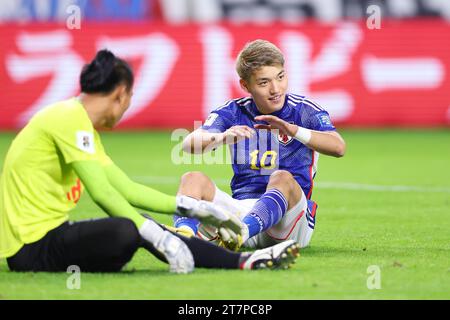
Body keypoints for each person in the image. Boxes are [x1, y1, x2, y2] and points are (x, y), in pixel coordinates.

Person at [0, 49, 300, 274]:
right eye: (130, 96)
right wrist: (154, 232)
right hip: (31, 248)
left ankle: (244, 262)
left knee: (133, 230)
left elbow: (127, 190)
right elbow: (103, 194)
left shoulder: (75, 121)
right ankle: (240, 261)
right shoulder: (69, 119)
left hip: (44, 239)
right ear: (120, 93)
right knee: (127, 230)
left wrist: (193, 208)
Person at [173, 39, 346, 251]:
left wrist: (293, 130)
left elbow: (338, 147)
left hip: (288, 220)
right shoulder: (233, 112)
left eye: (280, 77)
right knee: (192, 179)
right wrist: (221, 138)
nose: (276, 89)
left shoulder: (304, 110)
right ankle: (183, 238)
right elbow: (188, 145)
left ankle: (239, 232)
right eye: (264, 82)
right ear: (245, 85)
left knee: (281, 177)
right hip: (244, 211)